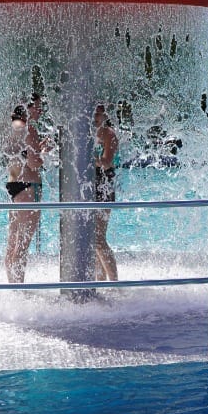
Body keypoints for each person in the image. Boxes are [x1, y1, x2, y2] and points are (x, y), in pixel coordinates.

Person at [4, 97, 45, 283]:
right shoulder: (30, 129)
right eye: (37, 106)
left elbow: (20, 154)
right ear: (26, 107)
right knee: (22, 247)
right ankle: (19, 290)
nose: (40, 110)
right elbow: (34, 163)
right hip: (29, 187)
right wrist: (44, 151)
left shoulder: (13, 126)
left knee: (12, 243)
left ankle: (12, 287)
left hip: (13, 185)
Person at [91, 102, 119, 282]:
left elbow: (107, 162)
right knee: (92, 239)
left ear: (105, 115)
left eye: (98, 113)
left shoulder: (110, 134)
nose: (95, 116)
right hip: (91, 183)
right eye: (93, 112)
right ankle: (99, 280)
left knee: (98, 237)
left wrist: (90, 159)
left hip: (104, 183)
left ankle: (114, 281)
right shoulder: (87, 134)